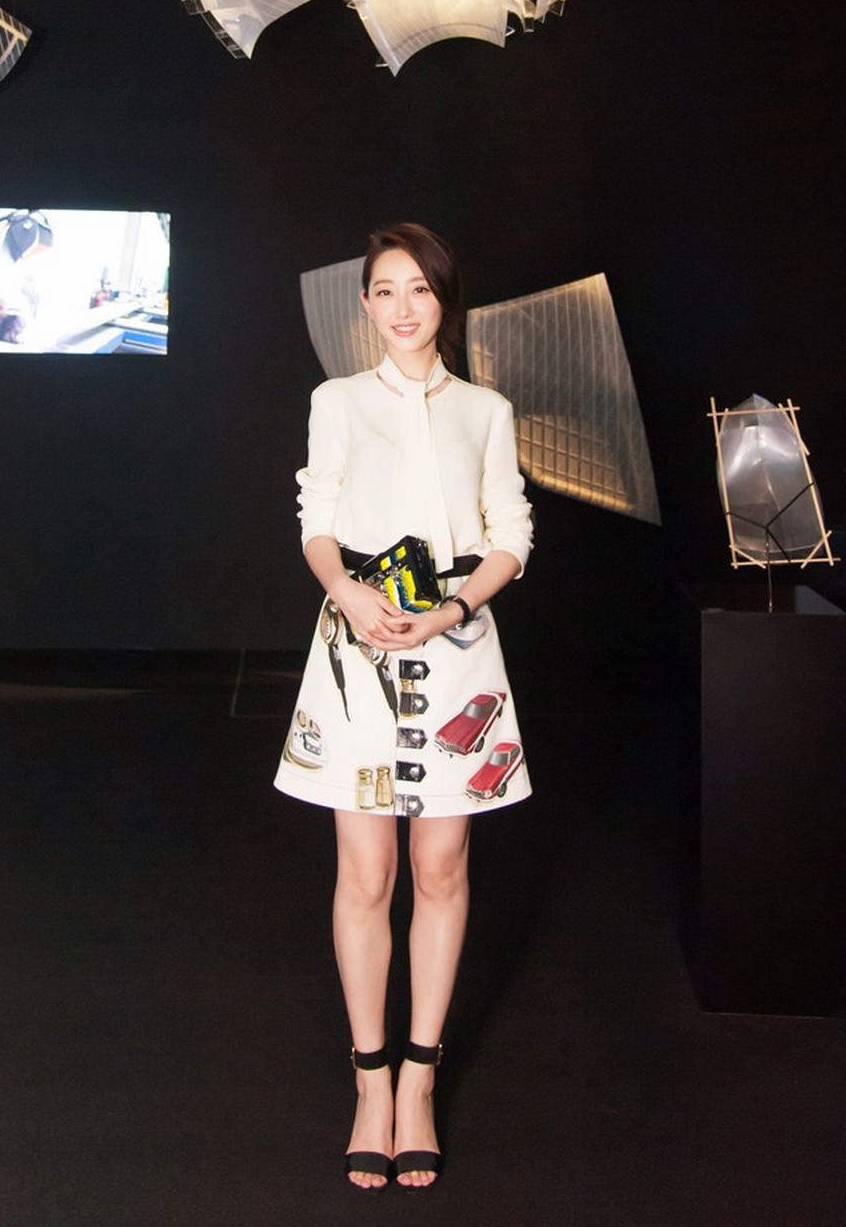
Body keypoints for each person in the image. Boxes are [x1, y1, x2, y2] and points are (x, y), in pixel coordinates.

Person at [275, 223, 533, 1190]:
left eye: (419, 288)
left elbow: (510, 533)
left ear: (444, 299)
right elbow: (317, 518)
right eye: (385, 290)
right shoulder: (337, 401)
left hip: (458, 648)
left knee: (441, 865)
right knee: (367, 870)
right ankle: (370, 1079)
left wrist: (454, 610)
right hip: (360, 644)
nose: (403, 307)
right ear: (366, 305)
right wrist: (346, 592)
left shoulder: (486, 409)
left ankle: (420, 1078)